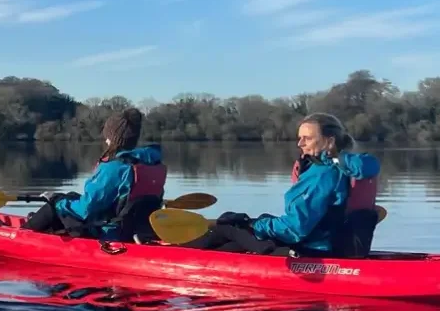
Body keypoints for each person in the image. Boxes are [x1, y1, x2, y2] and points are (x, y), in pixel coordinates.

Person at [182, 112, 381, 256]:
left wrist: (254, 224)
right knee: (235, 240)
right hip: (329, 244)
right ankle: (193, 255)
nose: (300, 144)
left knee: (228, 225)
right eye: (300, 138)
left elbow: (295, 229)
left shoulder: (323, 174)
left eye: (307, 138)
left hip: (312, 248)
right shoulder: (340, 168)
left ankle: (177, 255)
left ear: (329, 142)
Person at [21, 108, 168, 243]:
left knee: (54, 206)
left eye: (108, 136)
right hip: (137, 231)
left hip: (110, 234)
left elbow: (86, 209)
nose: (105, 140)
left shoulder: (114, 168)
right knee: (71, 196)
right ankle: (41, 227)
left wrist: (57, 201)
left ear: (114, 138)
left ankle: (22, 237)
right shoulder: (152, 163)